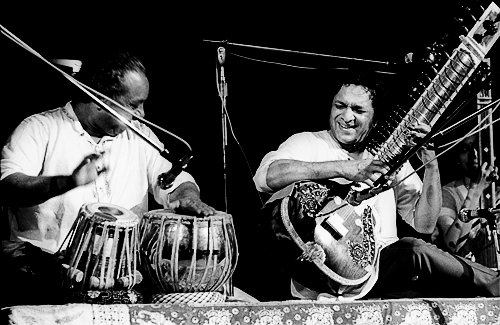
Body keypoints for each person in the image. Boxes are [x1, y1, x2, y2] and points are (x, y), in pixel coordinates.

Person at [253, 69, 500, 300]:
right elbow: (266, 177)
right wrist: (343, 169)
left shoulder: (389, 159)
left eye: (358, 110)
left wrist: (430, 163)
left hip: (382, 272)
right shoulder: (309, 143)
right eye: (340, 106)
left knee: (415, 254)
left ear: (375, 120)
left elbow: (424, 224)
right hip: (324, 277)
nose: (346, 116)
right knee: (414, 251)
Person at [0, 52, 216, 306]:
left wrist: (188, 197)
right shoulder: (39, 128)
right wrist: (67, 182)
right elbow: (9, 187)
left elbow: (176, 181)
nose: (142, 114)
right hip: (43, 278)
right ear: (99, 99)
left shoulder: (139, 137)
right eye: (134, 104)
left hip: (122, 279)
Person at [434, 134, 499, 267]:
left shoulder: (498, 193)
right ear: (456, 157)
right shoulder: (447, 193)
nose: (474, 154)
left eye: (477, 146)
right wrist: (475, 191)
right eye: (465, 149)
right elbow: (452, 245)